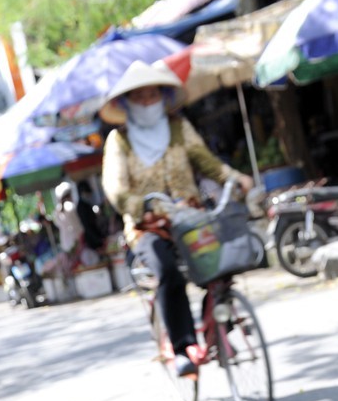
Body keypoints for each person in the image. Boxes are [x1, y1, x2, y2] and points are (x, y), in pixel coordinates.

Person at [101, 60, 252, 378]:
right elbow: (114, 187)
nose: (146, 102)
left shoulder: (179, 128)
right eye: (139, 97)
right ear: (127, 103)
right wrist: (137, 206)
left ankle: (220, 328)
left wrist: (234, 177)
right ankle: (184, 348)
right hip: (148, 226)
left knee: (222, 264)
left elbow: (205, 161)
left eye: (152, 94)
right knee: (168, 272)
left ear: (163, 97)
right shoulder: (119, 141)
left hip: (190, 217)